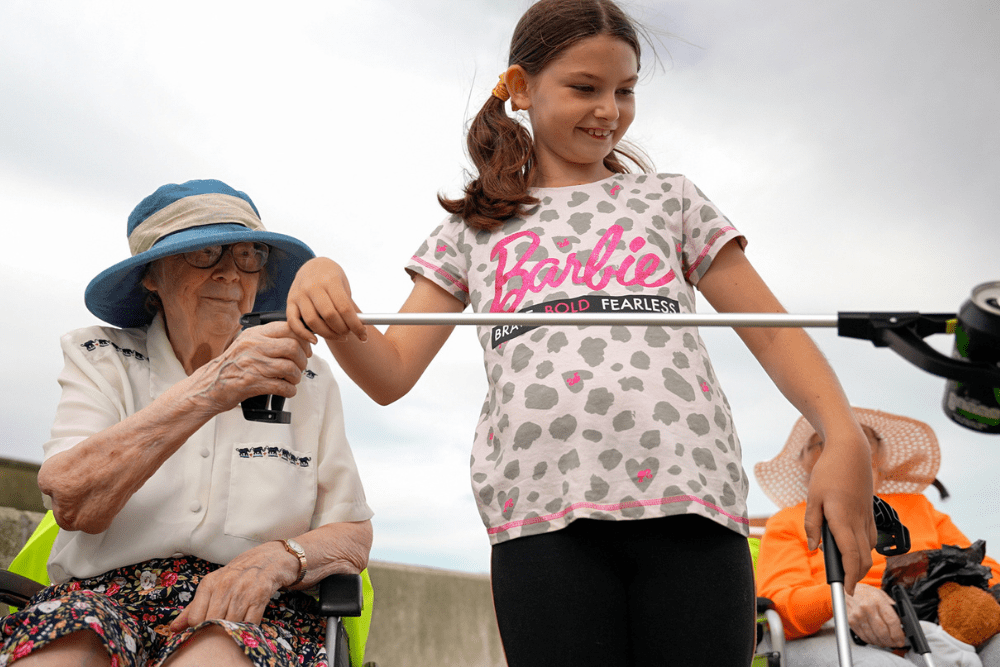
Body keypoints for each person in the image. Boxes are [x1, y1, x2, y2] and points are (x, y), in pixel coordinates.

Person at [285, 1, 876, 664]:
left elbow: (771, 332)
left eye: (625, 91)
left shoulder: (671, 201)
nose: (610, 111)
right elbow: (390, 373)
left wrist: (842, 433)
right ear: (520, 87)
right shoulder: (473, 229)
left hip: (692, 507)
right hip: (538, 521)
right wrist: (322, 277)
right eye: (585, 88)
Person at [0, 180, 374, 667]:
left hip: (252, 608)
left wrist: (276, 560)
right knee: (65, 649)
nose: (229, 274)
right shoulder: (101, 357)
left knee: (217, 652)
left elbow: (351, 531)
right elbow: (73, 501)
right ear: (151, 276)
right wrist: (212, 387)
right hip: (101, 600)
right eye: (206, 254)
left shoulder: (306, 375)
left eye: (248, 255)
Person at [755, 407, 1000, 666]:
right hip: (833, 630)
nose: (845, 448)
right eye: (822, 442)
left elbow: (986, 570)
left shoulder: (919, 507)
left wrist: (954, 595)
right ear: (804, 462)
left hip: (938, 621)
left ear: (880, 454)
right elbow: (779, 606)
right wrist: (842, 597)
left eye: (860, 437)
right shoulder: (788, 521)